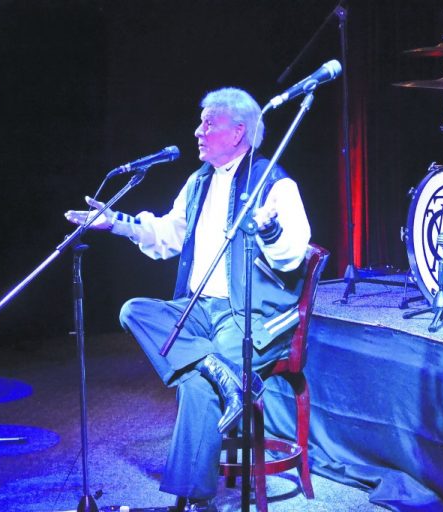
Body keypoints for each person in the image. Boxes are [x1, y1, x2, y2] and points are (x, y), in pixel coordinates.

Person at [65, 87, 311, 511]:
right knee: (135, 310)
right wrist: (117, 223)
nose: (198, 131)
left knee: (197, 386)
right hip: (196, 310)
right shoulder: (198, 182)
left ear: (237, 133)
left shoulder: (273, 181)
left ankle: (195, 502)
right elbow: (168, 235)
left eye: (208, 123)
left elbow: (293, 253)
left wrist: (269, 231)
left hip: (247, 314)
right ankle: (220, 371)